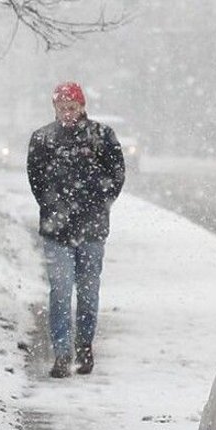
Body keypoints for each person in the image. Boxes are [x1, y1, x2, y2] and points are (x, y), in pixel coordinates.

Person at [26, 82, 126, 378]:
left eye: (72, 107)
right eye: (62, 108)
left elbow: (116, 175)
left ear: (82, 107)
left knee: (88, 290)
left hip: (92, 228)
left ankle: (84, 345)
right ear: (55, 108)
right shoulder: (43, 139)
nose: (67, 113)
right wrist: (53, 205)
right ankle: (61, 351)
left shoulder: (103, 137)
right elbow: (36, 179)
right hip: (57, 229)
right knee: (60, 289)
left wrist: (98, 202)